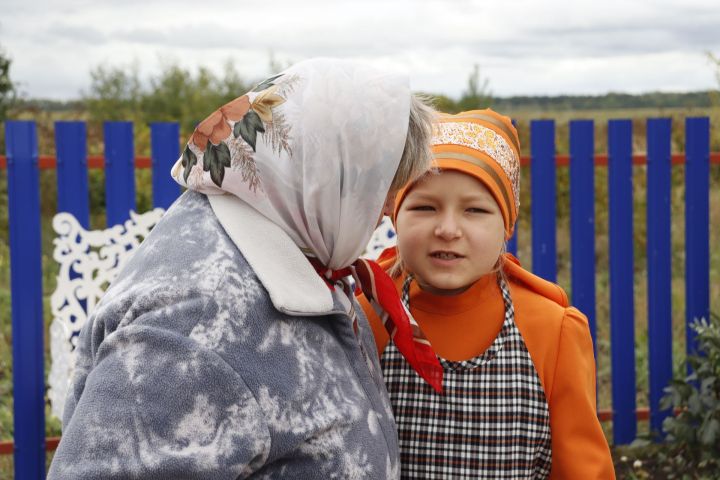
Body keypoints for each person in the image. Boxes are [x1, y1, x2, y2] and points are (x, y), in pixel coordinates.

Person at [48, 58, 438, 479]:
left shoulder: (293, 250)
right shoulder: (192, 330)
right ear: (323, 173)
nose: (386, 208)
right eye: (380, 185)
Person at [359, 109, 615, 479]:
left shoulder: (551, 332)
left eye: (475, 210)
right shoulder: (367, 318)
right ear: (394, 216)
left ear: (506, 224)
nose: (447, 229)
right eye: (425, 207)